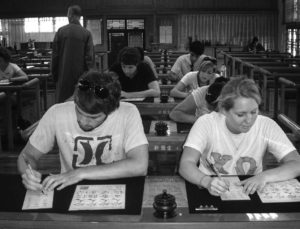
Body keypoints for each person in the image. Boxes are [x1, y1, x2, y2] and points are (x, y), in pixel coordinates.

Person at [17, 71, 148, 192]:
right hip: (70, 188)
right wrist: (27, 173)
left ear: (111, 110)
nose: (84, 121)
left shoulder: (128, 113)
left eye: (94, 117)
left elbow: (139, 165)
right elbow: (27, 156)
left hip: (118, 188)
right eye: (79, 112)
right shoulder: (57, 113)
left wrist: (79, 173)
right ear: (75, 100)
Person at [179, 76, 300, 196]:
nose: (249, 120)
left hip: (250, 190)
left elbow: (296, 163)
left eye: (254, 112)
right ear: (224, 111)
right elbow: (186, 164)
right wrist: (206, 180)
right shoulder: (206, 123)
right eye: (241, 114)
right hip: (209, 189)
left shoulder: (266, 125)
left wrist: (265, 176)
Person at [51, 5, 94, 103]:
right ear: (79, 16)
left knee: (63, 104)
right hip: (81, 77)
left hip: (63, 76)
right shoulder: (86, 33)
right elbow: (89, 59)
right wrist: (90, 79)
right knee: (81, 103)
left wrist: (54, 76)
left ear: (70, 15)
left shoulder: (61, 31)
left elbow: (55, 56)